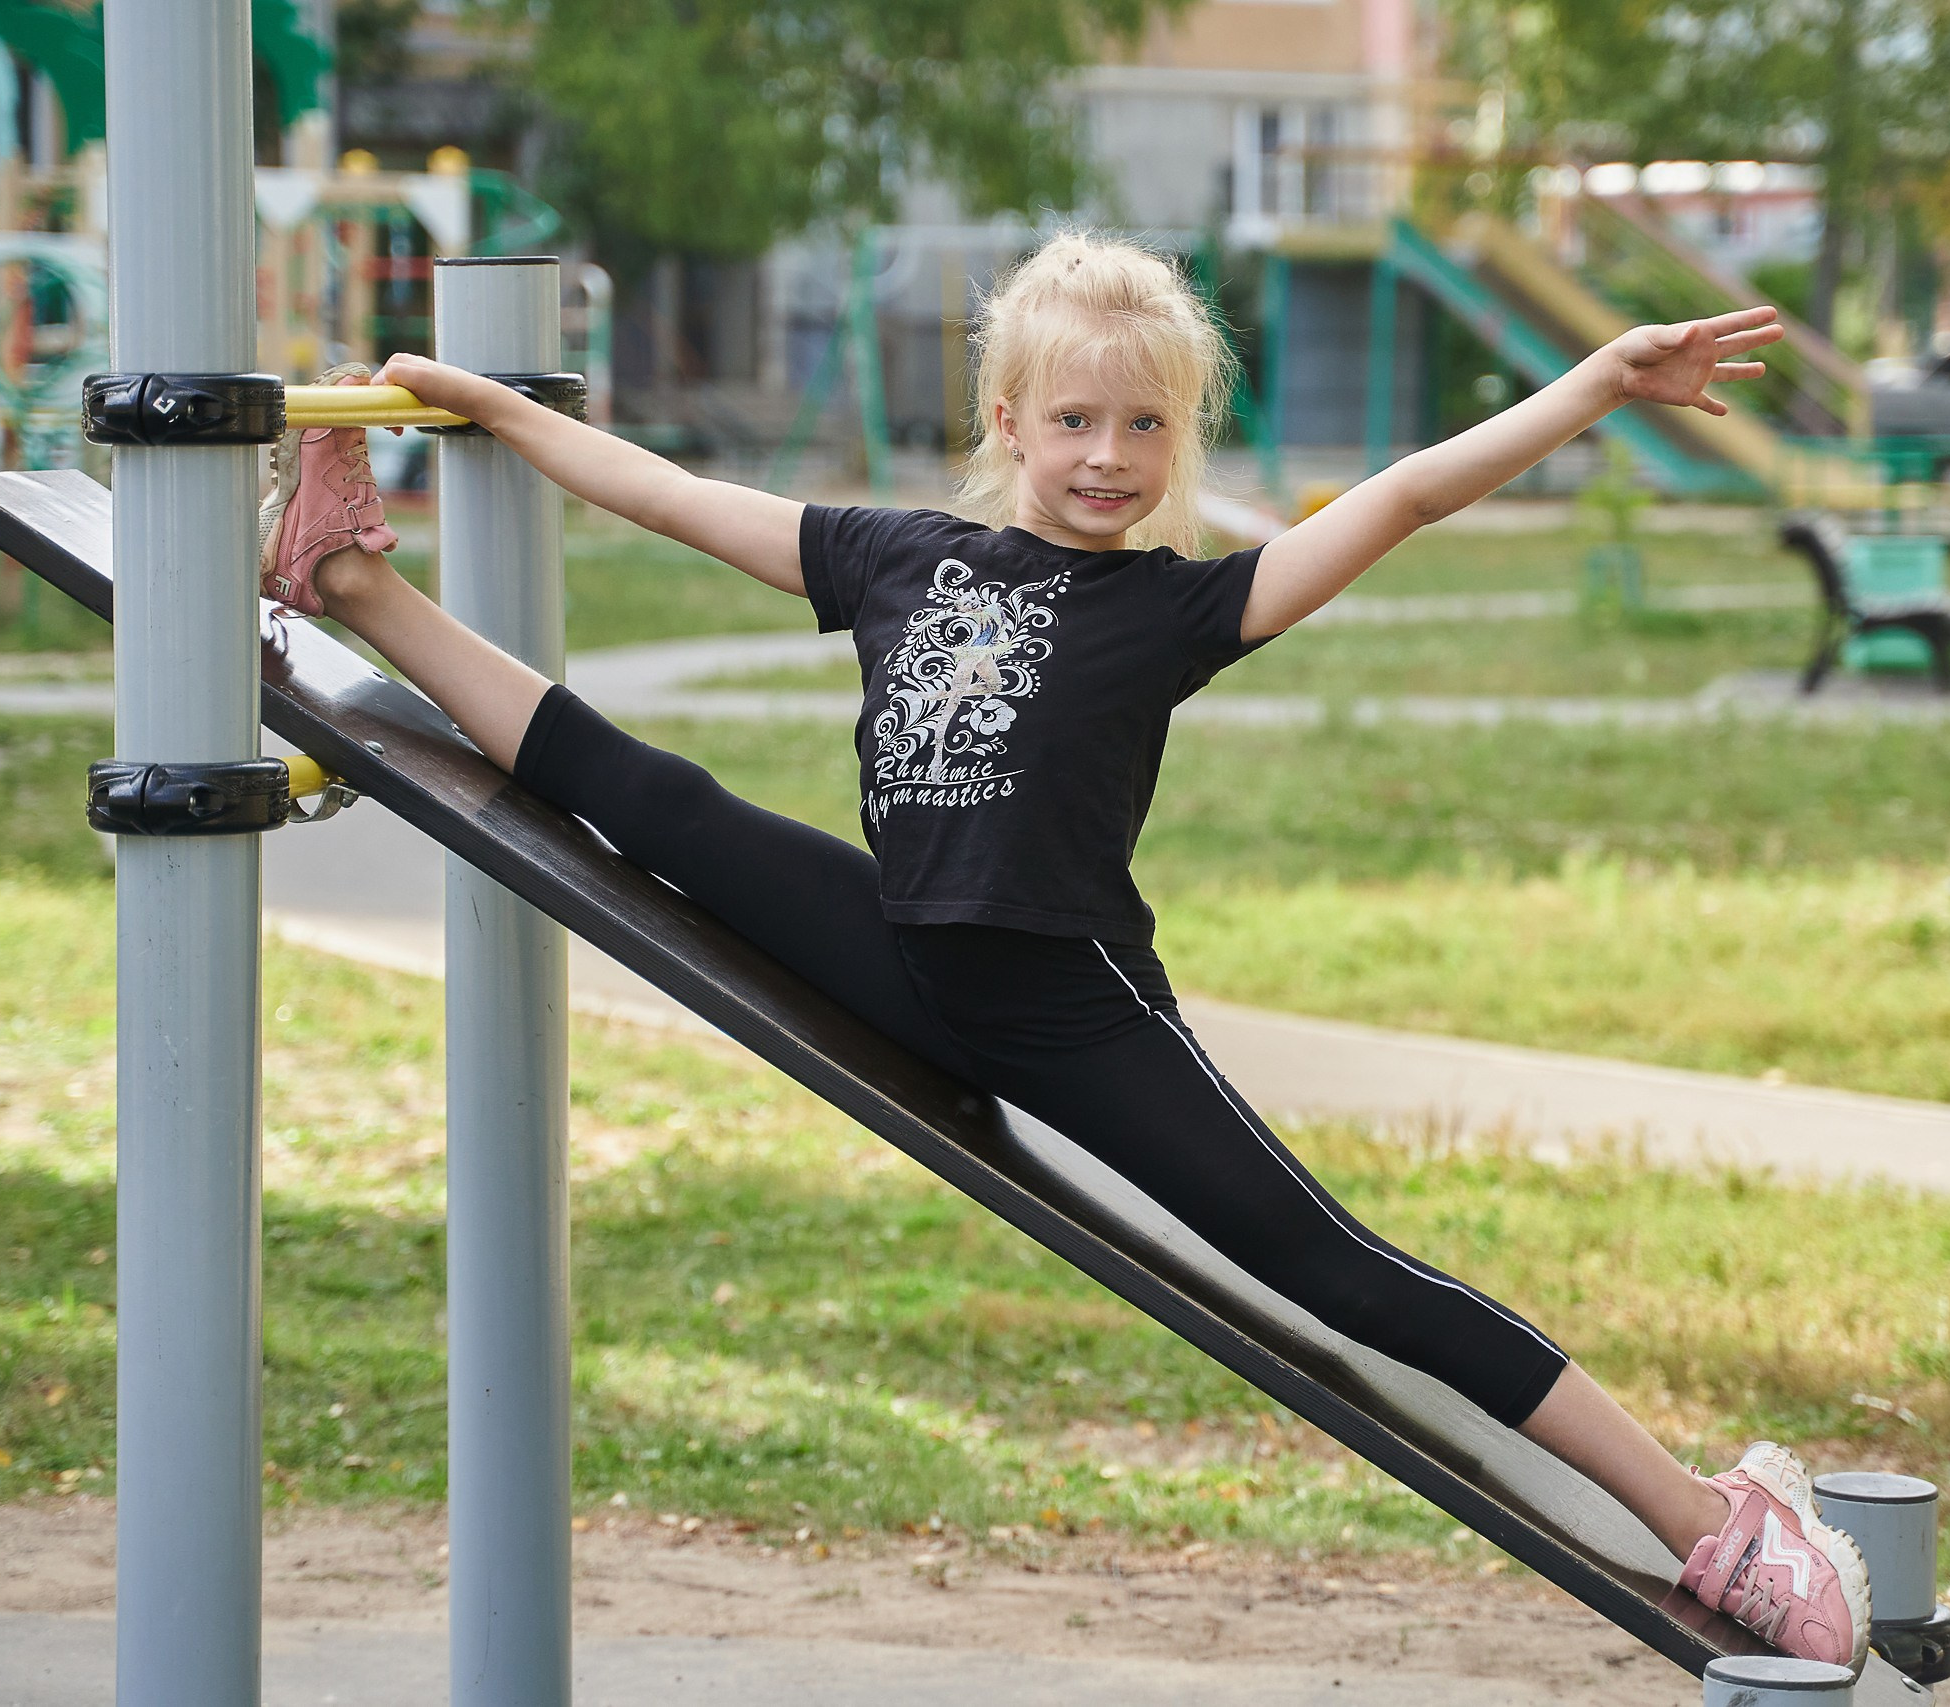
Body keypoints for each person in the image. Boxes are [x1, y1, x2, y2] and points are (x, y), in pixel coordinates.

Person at [261, 234, 1868, 1669]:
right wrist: (491, 404)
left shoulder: (1173, 610)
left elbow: (1406, 495)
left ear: (1181, 441)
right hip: (899, 952)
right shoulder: (888, 558)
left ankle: (1710, 1518)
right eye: (1077, 420)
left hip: (1071, 1014)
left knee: (1334, 1271)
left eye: (1147, 425)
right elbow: (663, 497)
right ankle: (344, 581)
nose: (1109, 457)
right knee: (650, 801)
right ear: (1008, 423)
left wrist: (1593, 382)